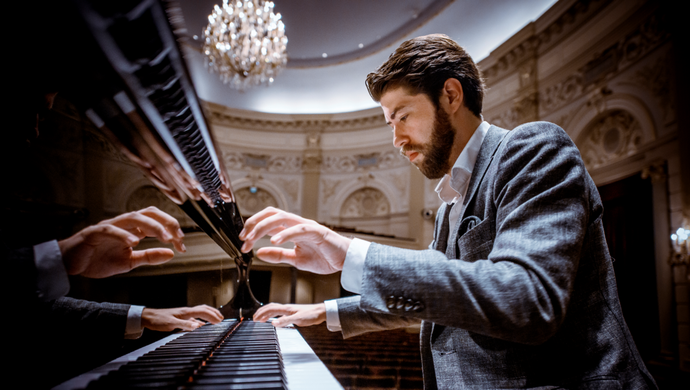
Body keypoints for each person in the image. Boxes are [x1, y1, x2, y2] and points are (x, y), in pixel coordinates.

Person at [240, 34, 657, 389]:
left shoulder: (533, 148)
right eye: (390, 123)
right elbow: (443, 299)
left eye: (403, 116)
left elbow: (528, 298)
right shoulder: (447, 208)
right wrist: (324, 311)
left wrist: (351, 253)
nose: (397, 139)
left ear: (451, 95)